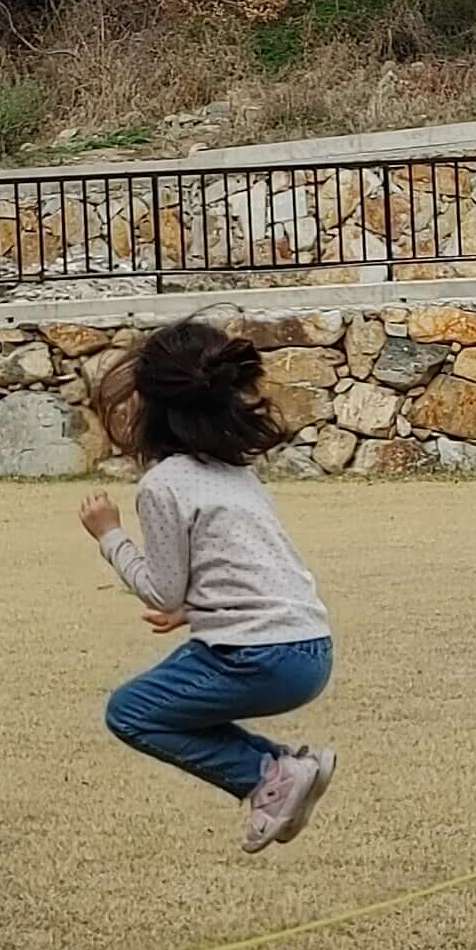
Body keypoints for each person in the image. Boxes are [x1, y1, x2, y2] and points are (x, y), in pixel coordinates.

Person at [76, 320, 337, 852]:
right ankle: (288, 771)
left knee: (131, 711)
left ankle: (269, 773)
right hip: (311, 648)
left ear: (149, 408)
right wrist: (196, 611)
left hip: (259, 656)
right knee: (152, 704)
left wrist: (109, 536)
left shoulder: (163, 484)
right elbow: (248, 571)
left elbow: (161, 591)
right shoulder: (236, 473)